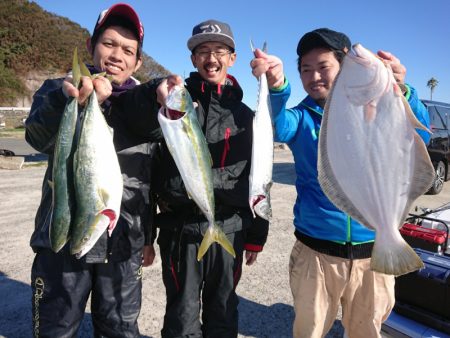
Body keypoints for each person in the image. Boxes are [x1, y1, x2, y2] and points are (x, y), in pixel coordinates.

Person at [250, 28, 430, 338]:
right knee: (310, 331)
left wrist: (403, 90)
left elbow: (420, 136)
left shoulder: (376, 104)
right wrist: (277, 87)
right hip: (316, 254)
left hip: (373, 252)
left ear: (344, 65)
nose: (314, 76)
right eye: (306, 69)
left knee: (367, 332)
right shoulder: (302, 117)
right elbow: (277, 127)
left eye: (323, 67)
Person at [25, 3, 161, 337]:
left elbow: (151, 181)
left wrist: (148, 237)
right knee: (55, 329)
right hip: (65, 235)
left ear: (138, 62)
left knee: (119, 330)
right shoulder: (60, 90)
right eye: (109, 43)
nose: (117, 55)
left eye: (128, 50)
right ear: (91, 46)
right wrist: (67, 100)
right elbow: (36, 137)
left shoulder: (143, 107)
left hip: (123, 243)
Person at [150, 19, 269, 338]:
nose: (211, 58)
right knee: (181, 316)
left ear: (232, 58)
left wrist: (258, 232)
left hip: (230, 230)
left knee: (224, 311)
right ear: (192, 59)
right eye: (203, 51)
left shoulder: (246, 116)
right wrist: (148, 235)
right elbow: (151, 171)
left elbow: (260, 177)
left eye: (219, 50)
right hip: (180, 232)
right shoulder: (173, 105)